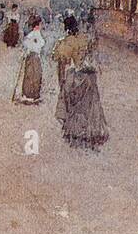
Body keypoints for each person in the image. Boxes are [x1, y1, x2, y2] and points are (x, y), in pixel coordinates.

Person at [53, 16, 108, 150]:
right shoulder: (84, 38)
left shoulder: (66, 42)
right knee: (89, 105)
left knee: (72, 103)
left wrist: (62, 83)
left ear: (66, 28)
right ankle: (92, 131)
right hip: (89, 76)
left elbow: (61, 63)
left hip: (77, 76)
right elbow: (92, 53)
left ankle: (76, 131)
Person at [13, 14, 45, 105]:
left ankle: (34, 95)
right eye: (41, 24)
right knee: (31, 75)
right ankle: (28, 95)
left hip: (36, 56)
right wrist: (32, 47)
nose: (42, 26)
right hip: (32, 56)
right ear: (37, 25)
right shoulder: (32, 34)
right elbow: (27, 44)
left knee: (36, 75)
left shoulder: (37, 34)